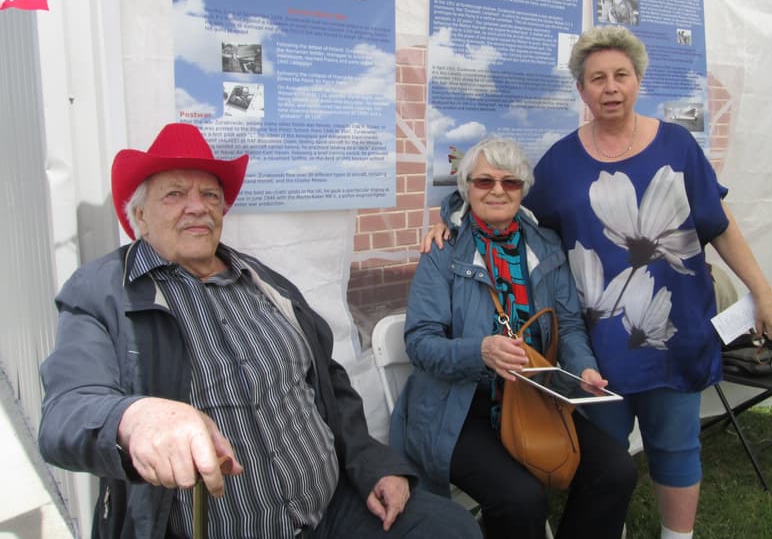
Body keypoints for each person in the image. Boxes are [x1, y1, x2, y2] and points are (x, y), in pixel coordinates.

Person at [37, 122, 482, 539]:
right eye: (174, 194)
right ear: (139, 215)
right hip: (214, 528)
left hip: (331, 508)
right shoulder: (104, 293)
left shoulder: (265, 282)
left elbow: (330, 383)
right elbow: (65, 413)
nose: (198, 206)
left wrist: (372, 463)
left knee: (450, 526)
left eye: (210, 195)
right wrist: (134, 419)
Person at [423, 26, 772, 539]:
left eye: (621, 75)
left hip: (675, 329)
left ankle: (677, 537)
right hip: (596, 344)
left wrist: (763, 292)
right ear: (582, 89)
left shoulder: (678, 146)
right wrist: (451, 219)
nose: (610, 87)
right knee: (601, 459)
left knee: (677, 445)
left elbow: (719, 223)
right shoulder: (562, 162)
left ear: (638, 80)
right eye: (597, 78)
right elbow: (507, 208)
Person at [392, 137, 637, 539]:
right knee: (521, 498)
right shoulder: (442, 249)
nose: (497, 191)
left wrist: (584, 369)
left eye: (510, 182)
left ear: (524, 188)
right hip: (459, 409)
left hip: (532, 400)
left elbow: (570, 326)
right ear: (466, 187)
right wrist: (481, 351)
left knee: (616, 470)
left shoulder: (547, 245)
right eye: (484, 181)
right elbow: (420, 342)